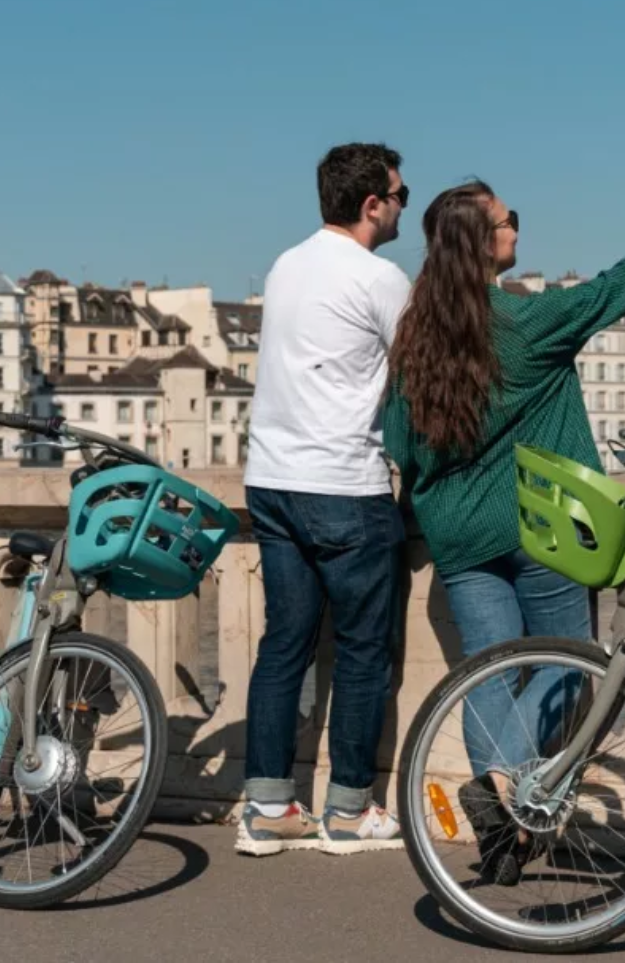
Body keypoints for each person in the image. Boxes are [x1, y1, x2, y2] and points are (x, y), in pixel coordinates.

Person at [382, 180, 625, 881]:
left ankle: (503, 827)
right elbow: (609, 291)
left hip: (458, 534)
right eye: (508, 219)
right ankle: (513, 793)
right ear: (484, 242)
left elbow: (399, 442)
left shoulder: (416, 336)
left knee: (489, 669)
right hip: (541, 524)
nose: (517, 228)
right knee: (570, 665)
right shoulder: (523, 321)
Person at [238, 143, 412, 856]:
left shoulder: (285, 265)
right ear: (372, 205)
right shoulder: (380, 277)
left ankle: (267, 809)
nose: (403, 207)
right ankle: (347, 811)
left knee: (285, 644)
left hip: (270, 479)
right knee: (364, 650)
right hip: (342, 483)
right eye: (399, 195)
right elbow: (421, 374)